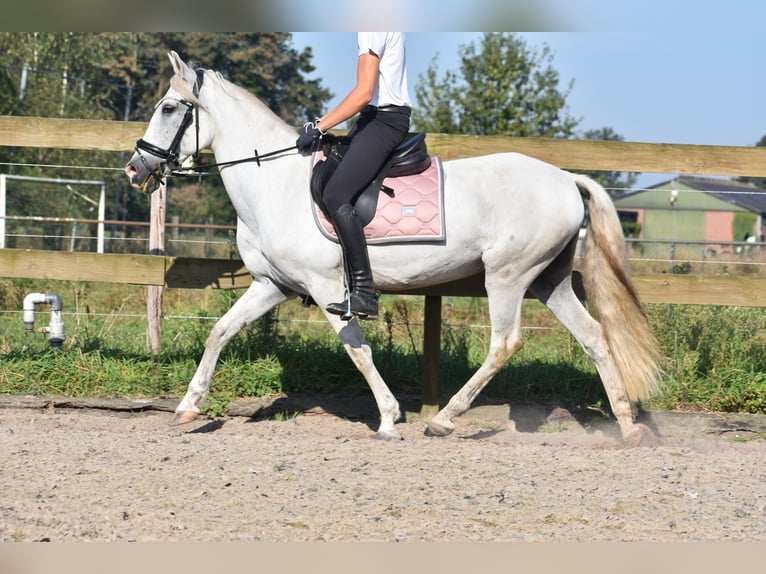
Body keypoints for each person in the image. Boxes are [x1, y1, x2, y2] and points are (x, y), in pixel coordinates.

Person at [296, 33, 412, 320]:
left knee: (336, 194)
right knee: (324, 178)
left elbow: (363, 93)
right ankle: (323, 273)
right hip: (371, 120)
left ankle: (363, 293)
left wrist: (319, 126)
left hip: (385, 121)